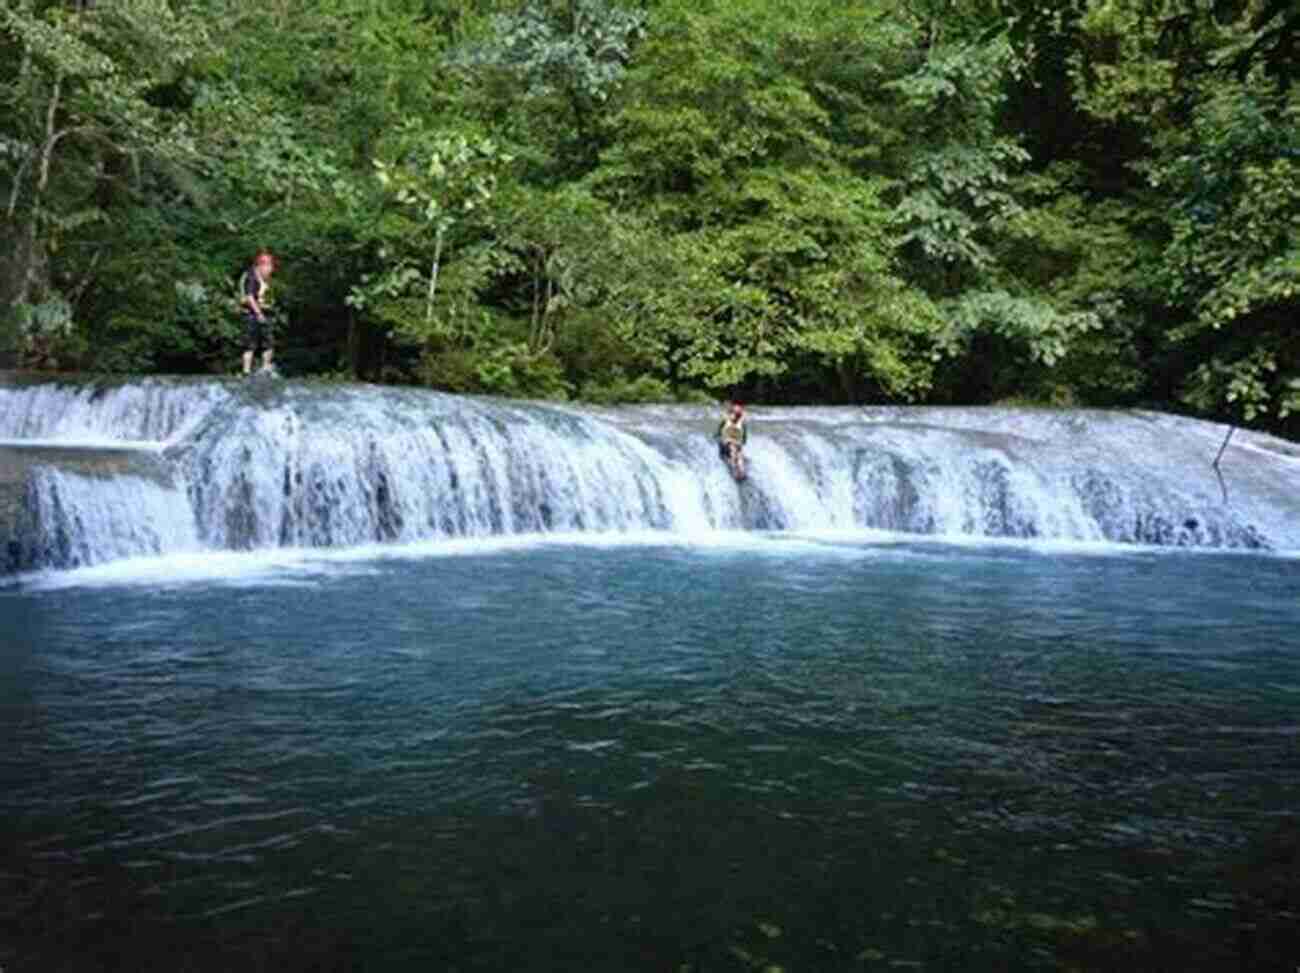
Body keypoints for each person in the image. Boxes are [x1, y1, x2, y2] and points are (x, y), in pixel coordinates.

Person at [239, 250, 278, 377]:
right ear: (261, 265)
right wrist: (258, 313)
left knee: (269, 342)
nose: (270, 270)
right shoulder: (251, 277)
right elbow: (249, 297)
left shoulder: (267, 279)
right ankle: (246, 371)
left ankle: (266, 367)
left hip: (266, 313)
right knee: (249, 344)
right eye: (269, 266)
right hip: (251, 314)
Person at [716, 400, 748, 480]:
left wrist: (740, 443)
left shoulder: (742, 424)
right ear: (730, 414)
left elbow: (744, 439)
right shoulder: (725, 421)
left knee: (739, 454)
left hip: (735, 445)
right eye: (734, 414)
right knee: (733, 449)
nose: (735, 417)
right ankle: (734, 471)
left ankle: (742, 472)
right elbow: (718, 433)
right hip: (725, 445)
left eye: (737, 415)